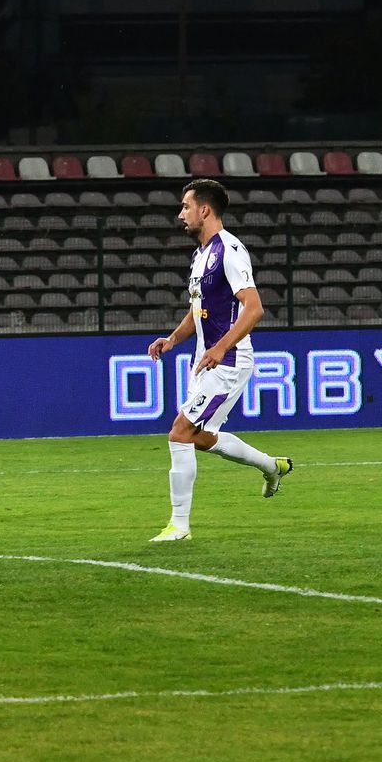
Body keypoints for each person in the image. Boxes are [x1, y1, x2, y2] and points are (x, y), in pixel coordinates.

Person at [146, 179, 292, 542]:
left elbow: (254, 308)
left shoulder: (229, 250)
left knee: (179, 432)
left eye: (186, 206)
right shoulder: (200, 256)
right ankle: (271, 467)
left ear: (205, 210)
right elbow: (198, 310)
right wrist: (173, 339)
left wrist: (222, 346)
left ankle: (179, 526)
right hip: (209, 360)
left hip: (228, 363)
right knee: (198, 437)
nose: (181, 214)